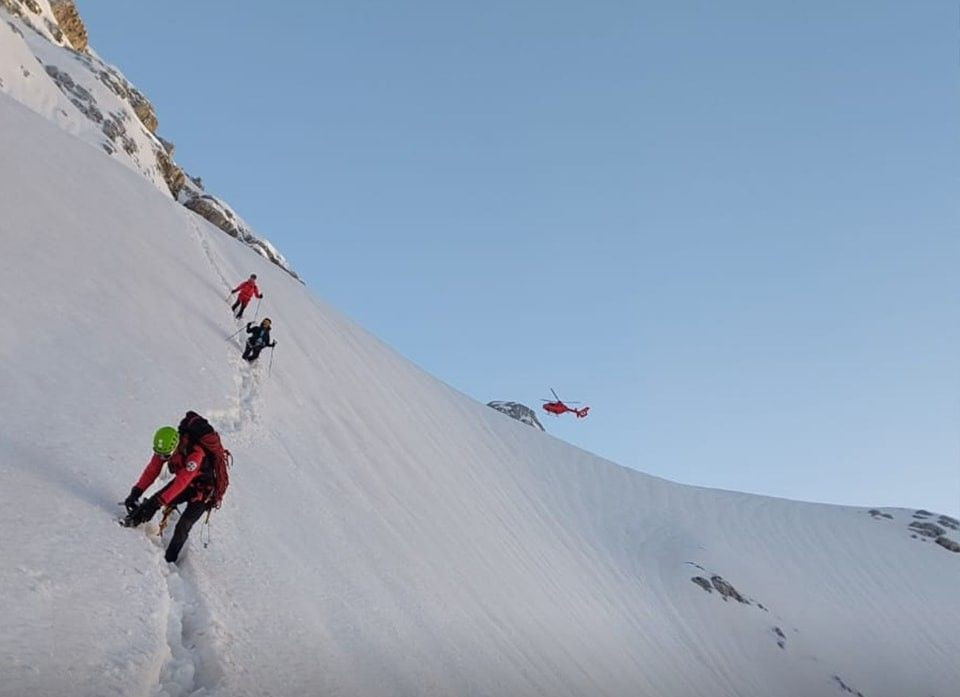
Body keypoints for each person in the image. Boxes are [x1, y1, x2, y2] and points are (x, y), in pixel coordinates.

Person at [122, 413, 228, 563]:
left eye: (166, 456)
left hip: (204, 492)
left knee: (183, 525)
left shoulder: (196, 455)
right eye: (161, 455)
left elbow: (181, 482)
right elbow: (152, 470)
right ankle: (134, 522)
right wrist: (135, 492)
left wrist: (157, 503)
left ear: (176, 446)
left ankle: (169, 560)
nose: (163, 458)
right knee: (154, 501)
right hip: (186, 482)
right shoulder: (165, 448)